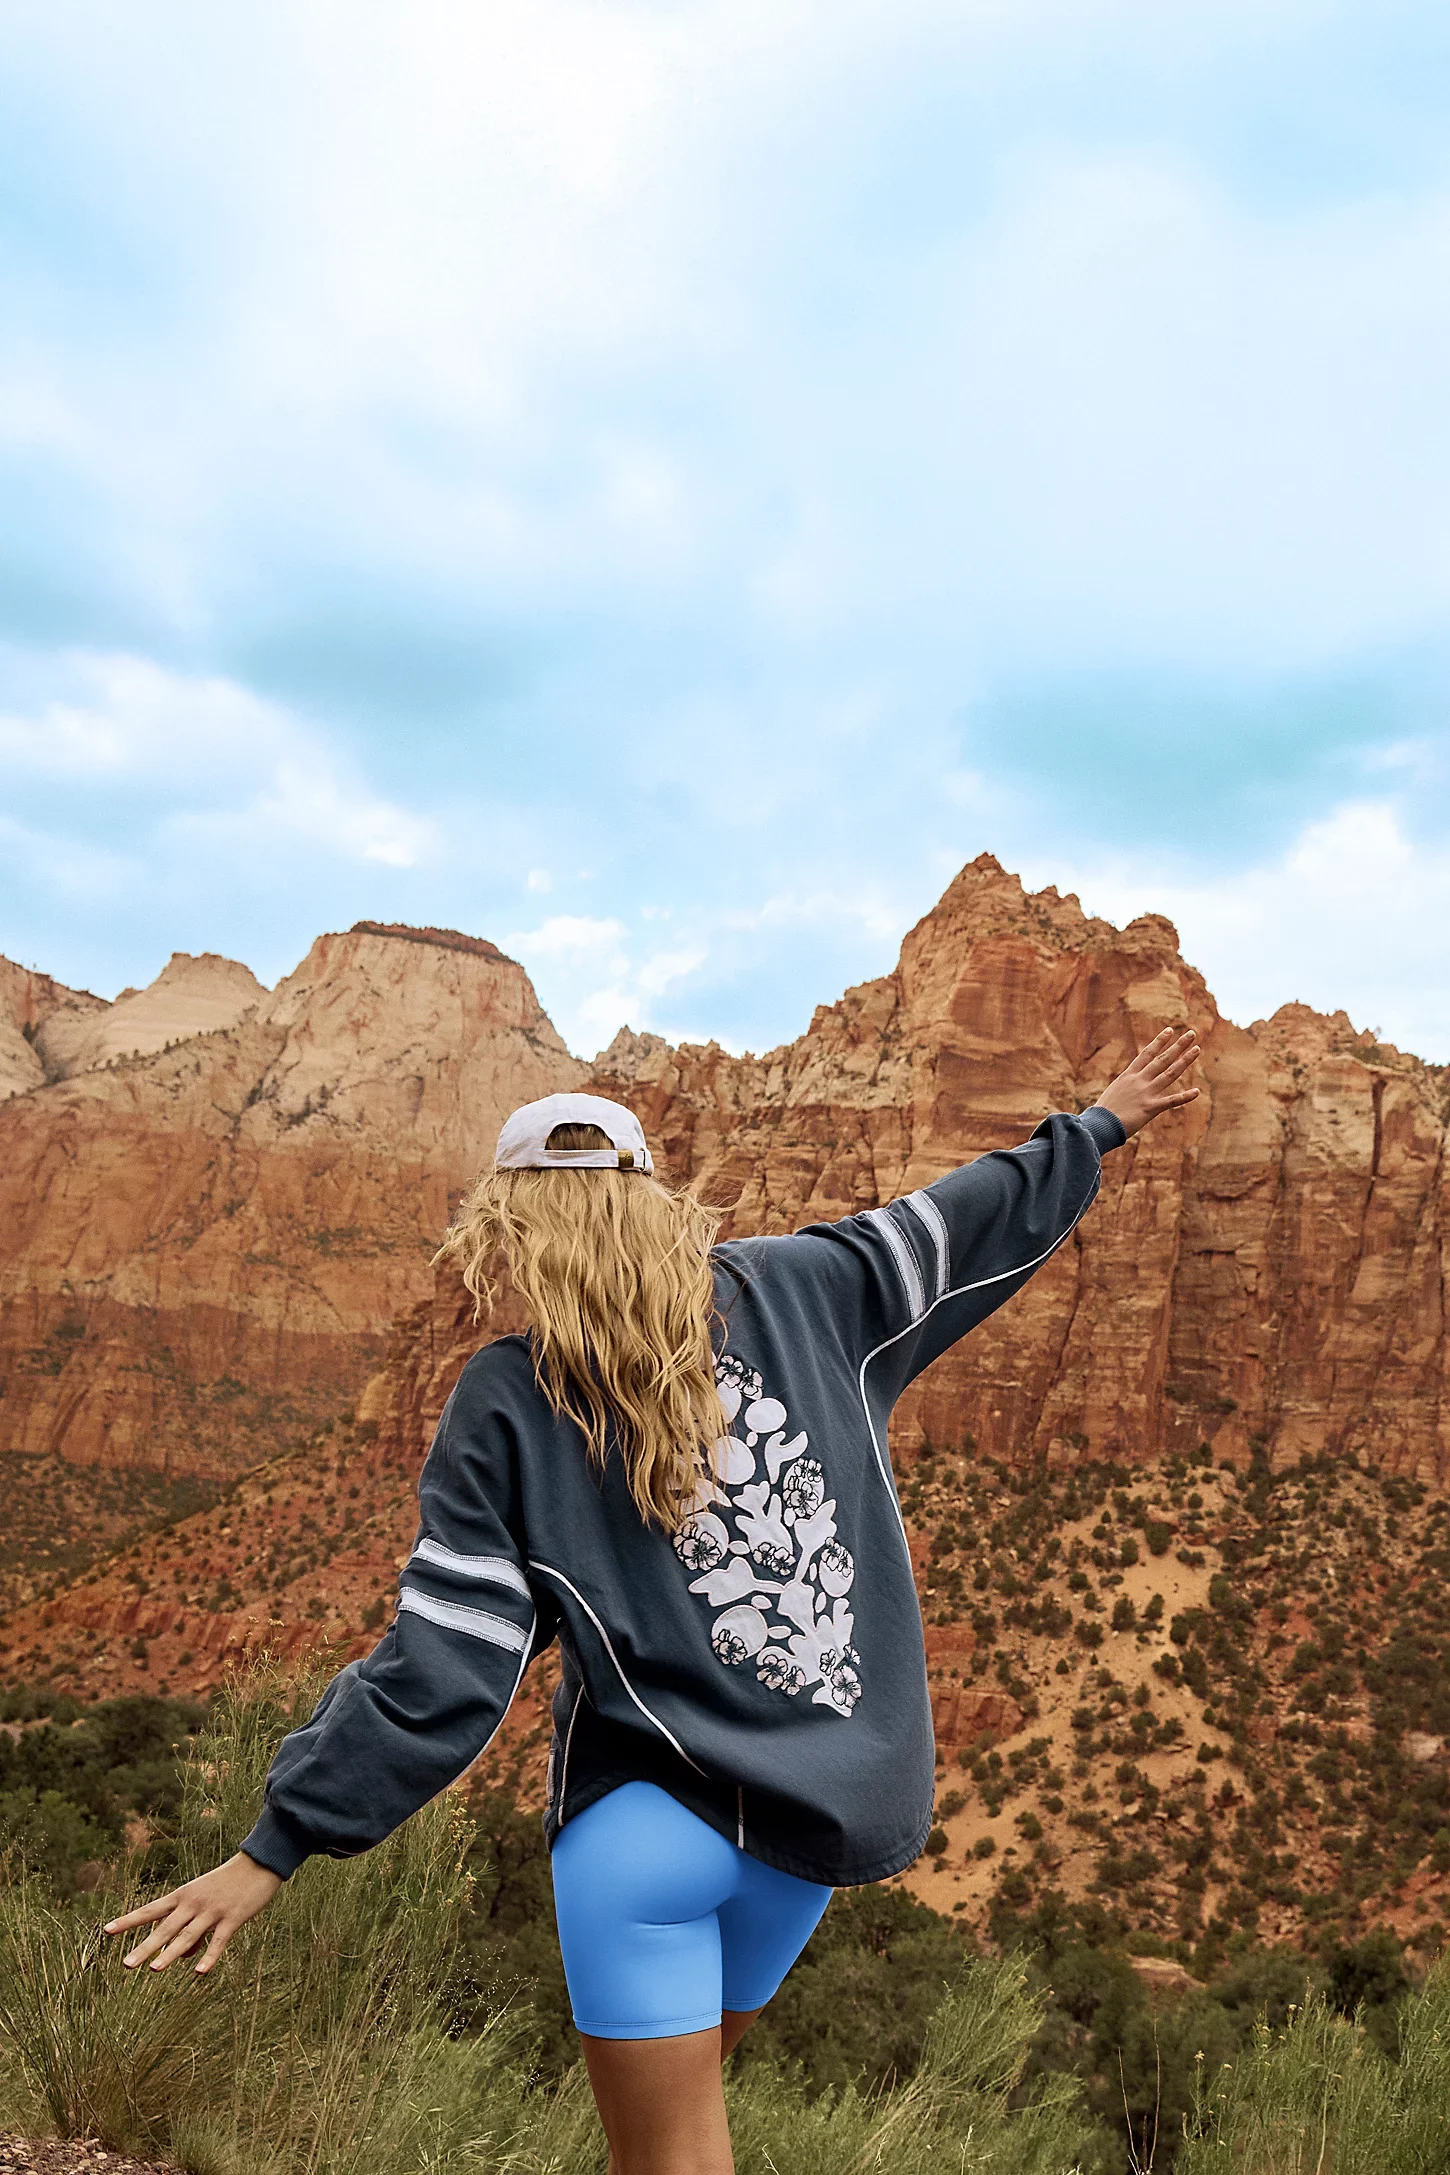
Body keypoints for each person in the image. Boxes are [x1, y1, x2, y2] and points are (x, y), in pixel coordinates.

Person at [106, 1025, 1200, 2175]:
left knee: (669, 2156)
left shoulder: (507, 1398)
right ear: (650, 1196)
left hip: (643, 1836)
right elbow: (960, 1218)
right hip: (810, 1827)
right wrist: (1097, 1125)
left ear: (509, 1223)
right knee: (687, 2131)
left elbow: (450, 1664)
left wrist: (275, 1845)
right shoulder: (807, 1289)